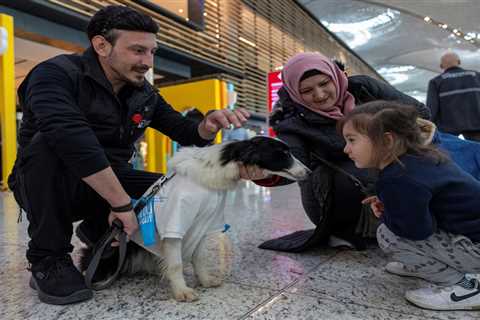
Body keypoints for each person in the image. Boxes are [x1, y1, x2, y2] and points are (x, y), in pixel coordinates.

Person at [8, 5, 263, 305]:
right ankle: (48, 258)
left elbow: (186, 132)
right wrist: (120, 202)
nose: (147, 62)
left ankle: (104, 235)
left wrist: (207, 125)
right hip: (49, 181)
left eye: (152, 52)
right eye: (138, 51)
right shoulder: (54, 74)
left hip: (110, 180)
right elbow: (71, 138)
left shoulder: (144, 94)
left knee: (175, 189)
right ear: (101, 45)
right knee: (48, 146)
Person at [257, 52, 431, 251]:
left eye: (324, 83)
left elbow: (420, 114)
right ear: (295, 93)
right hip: (337, 196)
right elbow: (296, 164)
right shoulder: (291, 121)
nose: (320, 95)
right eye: (307, 90)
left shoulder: (364, 88)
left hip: (385, 176)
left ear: (335, 76)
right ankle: (357, 228)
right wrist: (263, 172)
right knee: (360, 168)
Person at [340, 101, 480, 311]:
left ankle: (465, 286)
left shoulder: (399, 178)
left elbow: (416, 231)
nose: (346, 149)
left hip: (475, 249)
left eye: (352, 140)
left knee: (389, 236)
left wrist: (387, 214)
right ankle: (422, 264)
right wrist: (393, 204)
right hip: (472, 236)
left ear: (387, 141)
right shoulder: (421, 158)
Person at [426, 52, 480, 141]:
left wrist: (428, 127)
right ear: (459, 62)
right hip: (477, 124)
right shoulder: (477, 76)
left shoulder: (436, 81)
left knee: (448, 152)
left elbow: (432, 107)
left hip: (448, 128)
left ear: (441, 66)